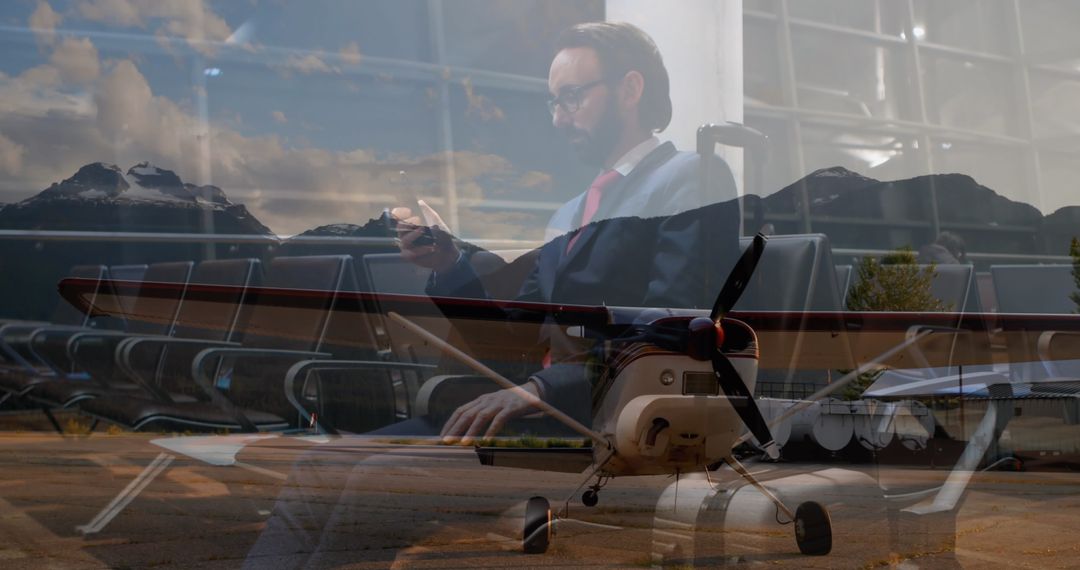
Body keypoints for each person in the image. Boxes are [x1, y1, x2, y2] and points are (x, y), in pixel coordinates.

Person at [389, 21, 740, 443]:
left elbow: (670, 328)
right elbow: (512, 342)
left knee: (351, 469)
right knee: (339, 458)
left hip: (613, 428)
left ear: (630, 90)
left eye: (572, 98)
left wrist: (542, 389)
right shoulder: (571, 211)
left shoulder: (689, 179)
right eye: (553, 103)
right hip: (544, 415)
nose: (559, 119)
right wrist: (449, 265)